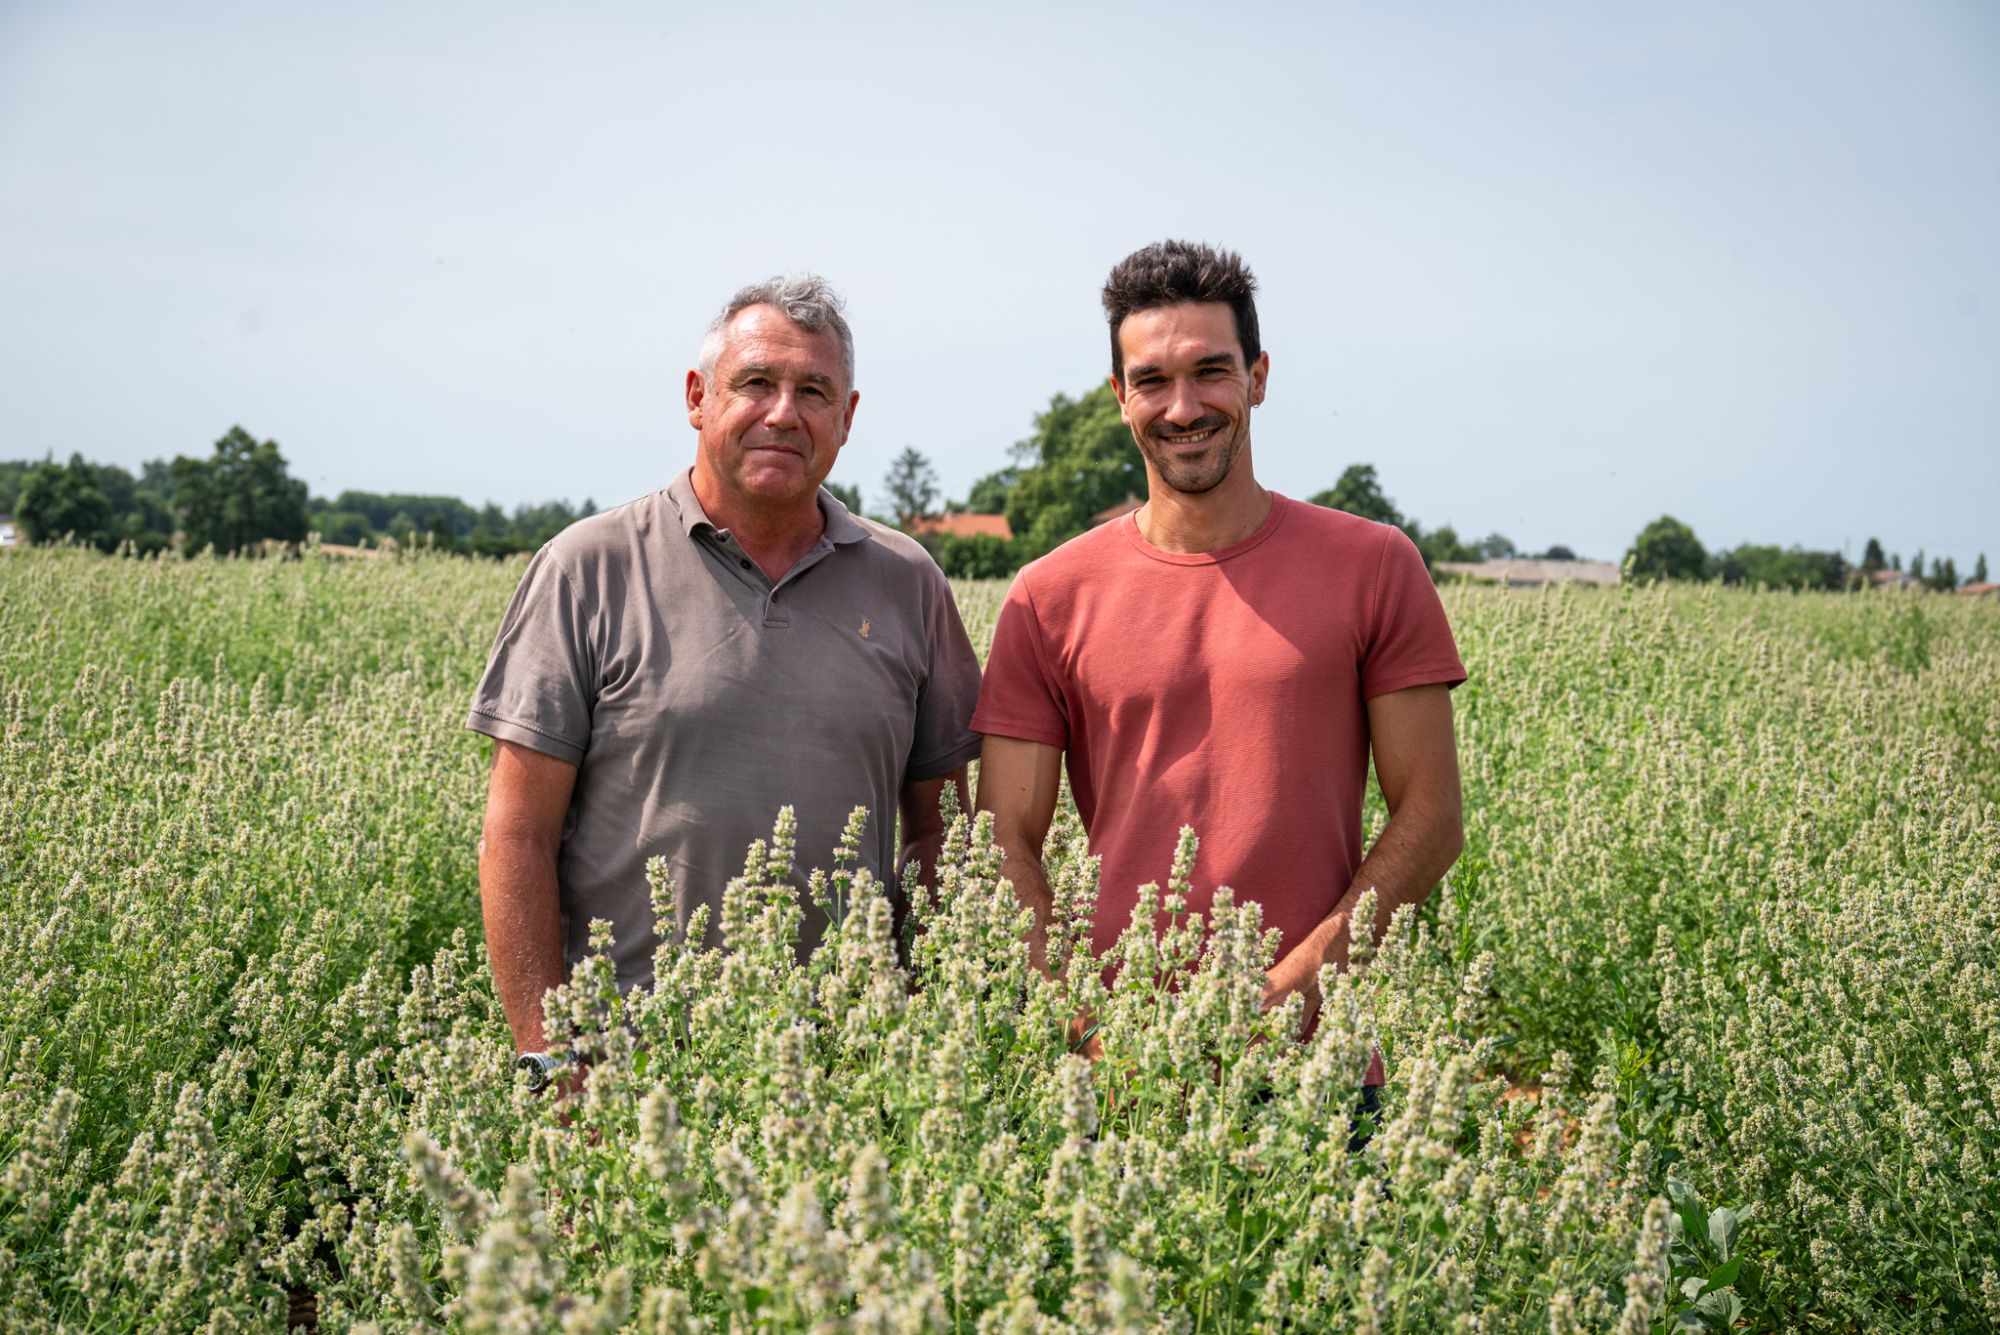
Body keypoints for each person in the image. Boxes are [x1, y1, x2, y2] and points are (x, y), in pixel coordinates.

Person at [972, 241, 1466, 1102]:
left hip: (1320, 1067)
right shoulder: (1046, 596)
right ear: (1119, 395)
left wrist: (1302, 982)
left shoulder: (1376, 566)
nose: (1184, 406)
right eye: (1154, 380)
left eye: (1212, 371)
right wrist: (1080, 1024)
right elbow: (1005, 833)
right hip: (1117, 1069)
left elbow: (1432, 815)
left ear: (1259, 377)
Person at [469, 275, 983, 1087]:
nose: (784, 412)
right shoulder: (587, 568)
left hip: (847, 1068)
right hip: (628, 1069)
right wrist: (548, 1055)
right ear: (697, 397)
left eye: (815, 390)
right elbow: (517, 835)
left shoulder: (908, 581)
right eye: (756, 383)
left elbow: (939, 833)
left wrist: (919, 1026)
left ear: (847, 420)